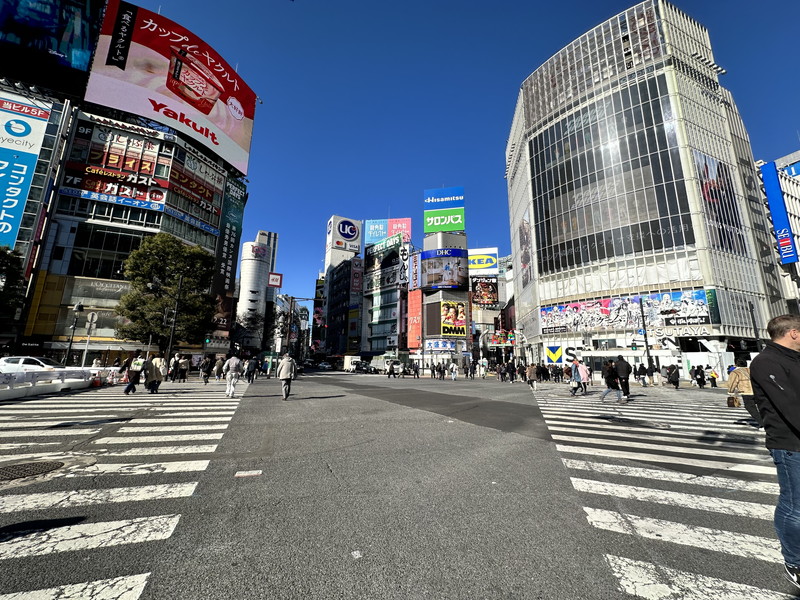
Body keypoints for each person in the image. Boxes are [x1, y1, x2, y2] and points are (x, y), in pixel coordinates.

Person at [750, 315, 800, 590]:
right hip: (790, 444)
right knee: (794, 505)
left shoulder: (793, 359)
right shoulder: (766, 362)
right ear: (793, 333)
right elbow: (790, 406)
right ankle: (794, 562)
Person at [727, 358, 760, 427]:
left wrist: (730, 391)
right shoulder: (752, 370)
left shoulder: (735, 372)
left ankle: (762, 424)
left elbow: (732, 383)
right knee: (761, 406)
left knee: (750, 407)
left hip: (746, 392)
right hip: (758, 391)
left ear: (736, 364)